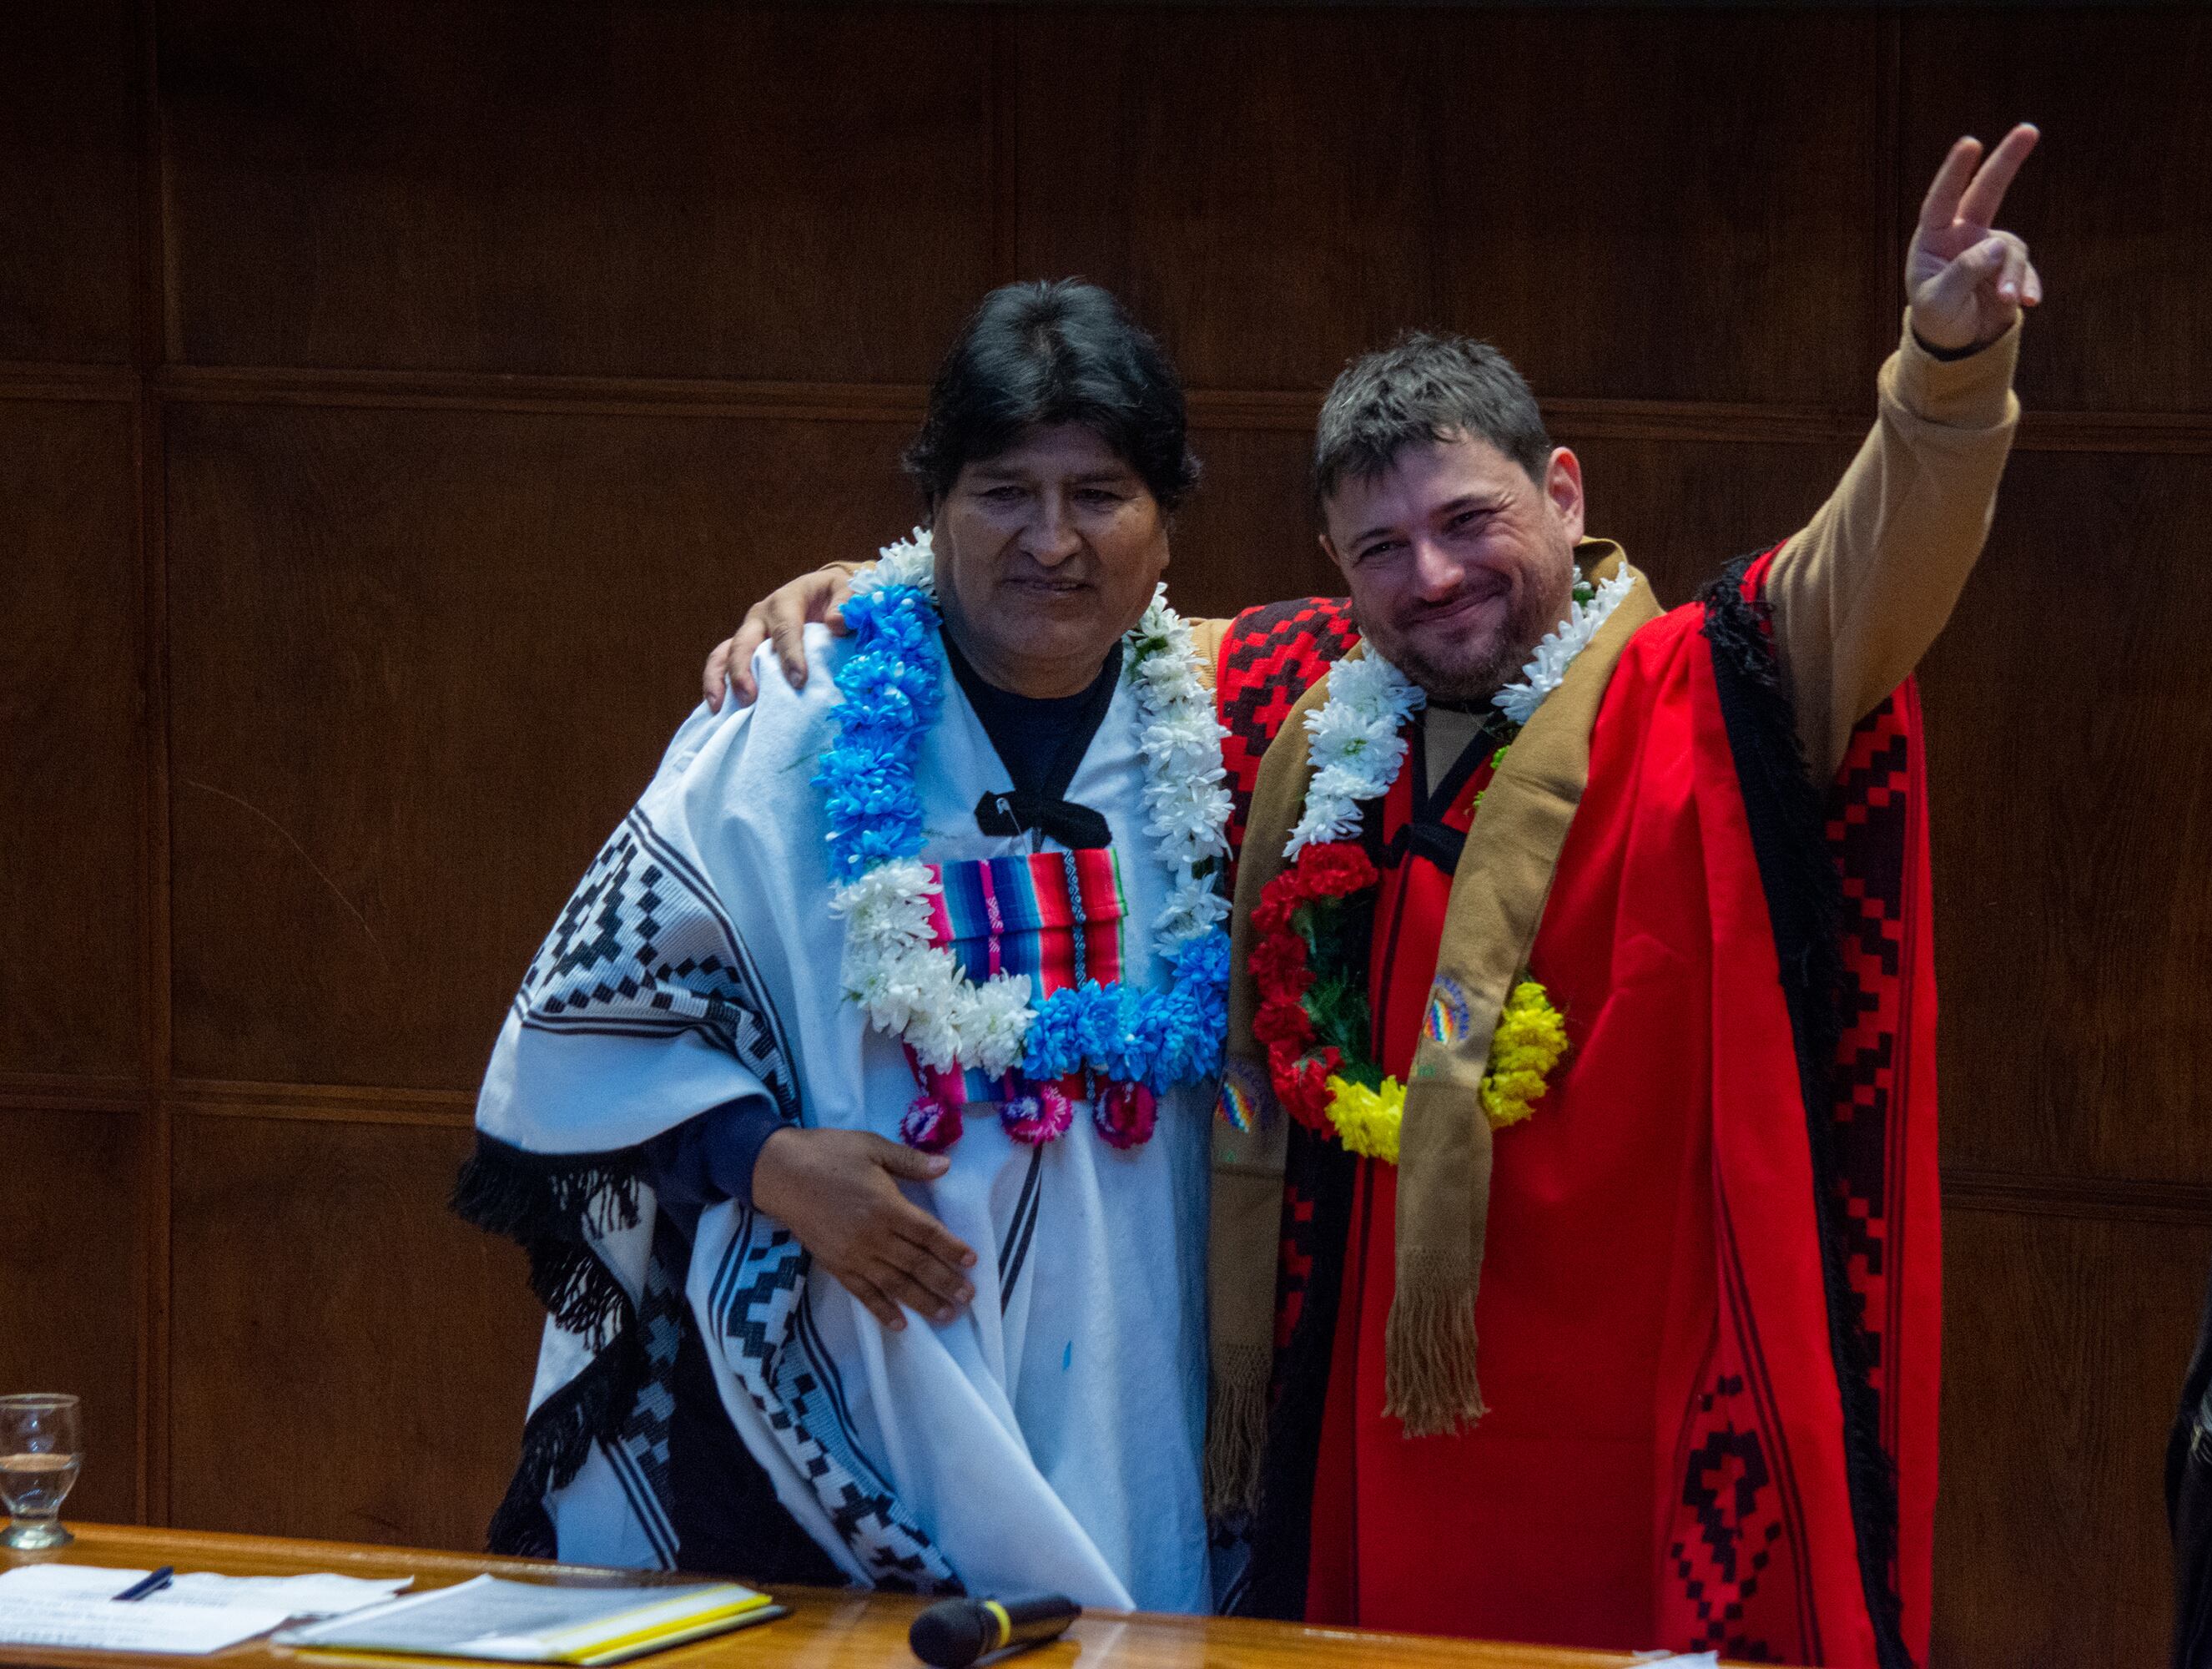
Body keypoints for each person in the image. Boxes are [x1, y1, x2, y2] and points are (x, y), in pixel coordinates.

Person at [698, 126, 2041, 1666]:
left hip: (1644, 1394)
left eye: (1470, 522)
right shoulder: (1301, 701)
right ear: (1337, 567)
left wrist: (1948, 371)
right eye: (1382, 549)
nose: (1434, 578)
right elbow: (1065, 611)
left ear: (1563, 491)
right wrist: (863, 600)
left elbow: (1876, 561)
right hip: (1386, 1414)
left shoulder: (1709, 686)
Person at [456, 279, 1238, 1611]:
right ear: (933, 508)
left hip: (1130, 1368)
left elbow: (1481, 617)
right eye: (1003, 493)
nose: (1052, 540)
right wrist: (766, 1166)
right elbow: (582, 1021)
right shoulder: (795, 714)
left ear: (1167, 525)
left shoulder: (1229, 732)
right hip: (839, 1370)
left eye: (1099, 495)